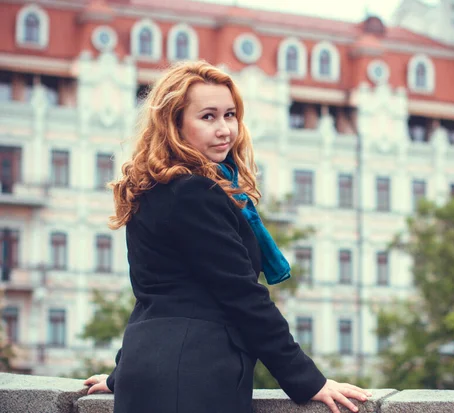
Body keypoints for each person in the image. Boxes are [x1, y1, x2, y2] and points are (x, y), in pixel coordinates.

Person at [83, 60, 371, 413]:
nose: (225, 130)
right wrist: (309, 379)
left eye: (230, 115)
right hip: (193, 375)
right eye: (208, 117)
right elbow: (242, 295)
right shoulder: (195, 193)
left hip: (152, 372)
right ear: (174, 124)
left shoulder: (155, 189)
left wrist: (120, 374)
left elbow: (157, 293)